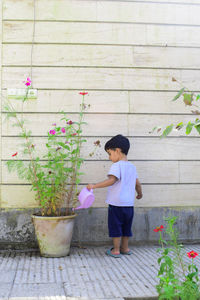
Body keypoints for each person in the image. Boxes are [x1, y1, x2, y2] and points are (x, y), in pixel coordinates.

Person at [87, 134, 143, 258]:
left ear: (117, 150)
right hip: (129, 204)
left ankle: (116, 250)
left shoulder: (116, 166)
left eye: (109, 153)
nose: (109, 157)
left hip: (116, 204)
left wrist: (94, 186)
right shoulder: (132, 167)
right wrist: (139, 193)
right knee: (126, 227)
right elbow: (137, 183)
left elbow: (111, 180)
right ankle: (126, 248)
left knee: (116, 226)